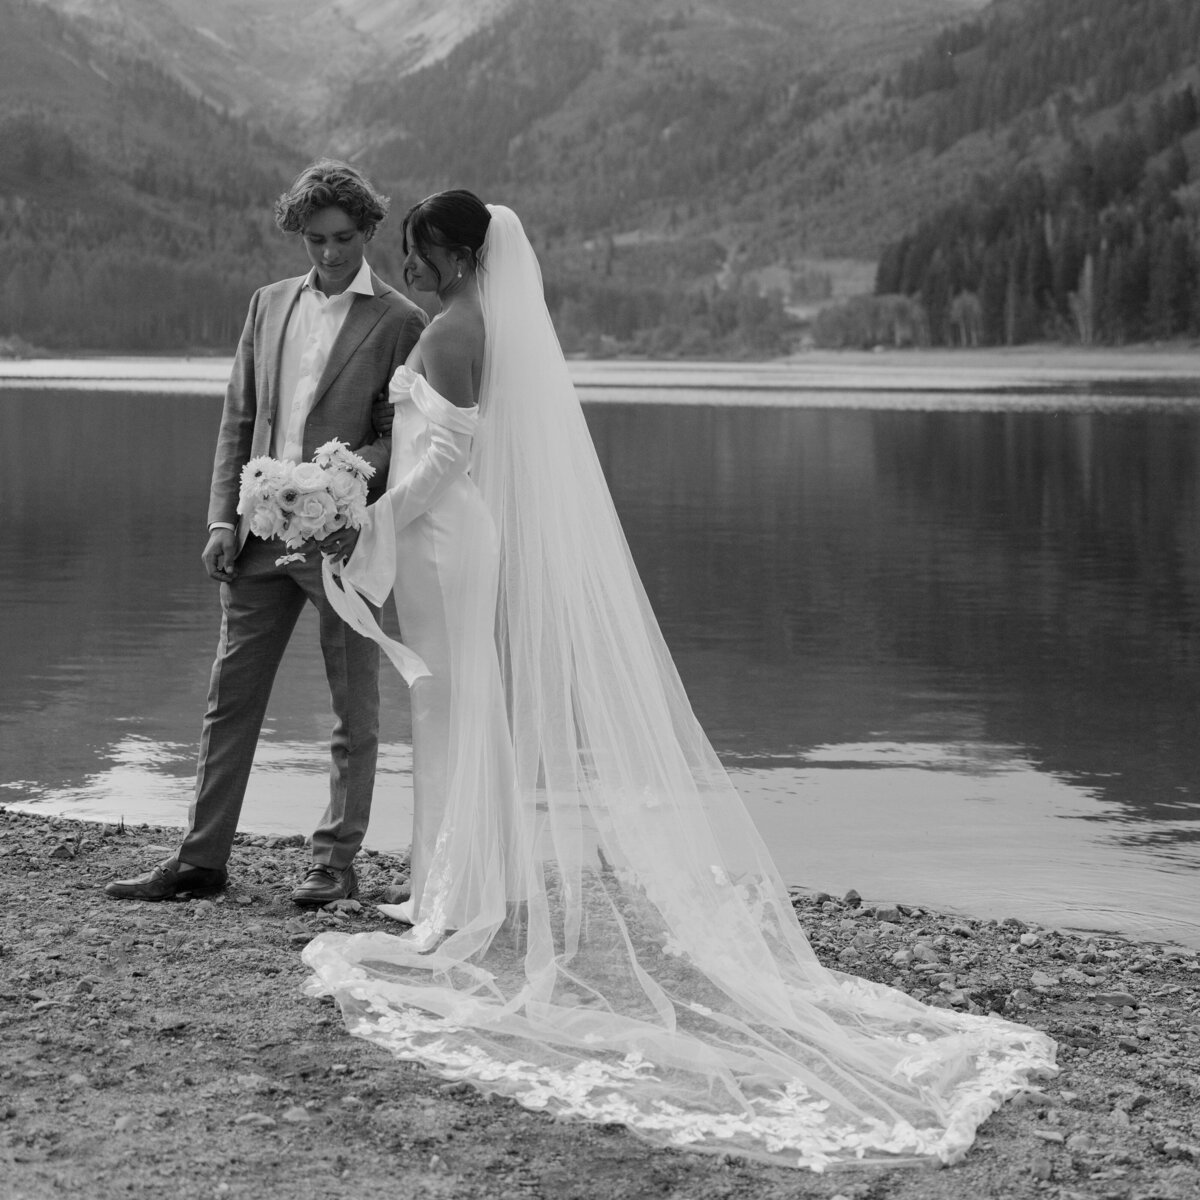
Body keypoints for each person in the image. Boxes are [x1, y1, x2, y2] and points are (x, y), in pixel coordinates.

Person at [303, 193, 1057, 1169]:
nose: (411, 268)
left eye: (420, 252)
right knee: (451, 704)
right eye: (406, 254)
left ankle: (458, 897)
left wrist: (371, 522)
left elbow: (445, 459)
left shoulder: (455, 331)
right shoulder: (469, 324)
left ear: (454, 254)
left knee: (451, 704)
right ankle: (456, 886)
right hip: (445, 538)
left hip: (444, 539)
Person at [106, 160, 427, 907]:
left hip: (343, 543)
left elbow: (397, 437)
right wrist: (223, 518)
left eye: (343, 238)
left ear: (370, 231)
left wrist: (345, 484)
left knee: (354, 704)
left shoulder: (401, 321)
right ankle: (200, 860)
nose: (328, 254)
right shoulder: (267, 304)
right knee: (230, 699)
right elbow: (238, 421)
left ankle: (334, 862)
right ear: (298, 235)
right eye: (314, 239)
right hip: (254, 538)